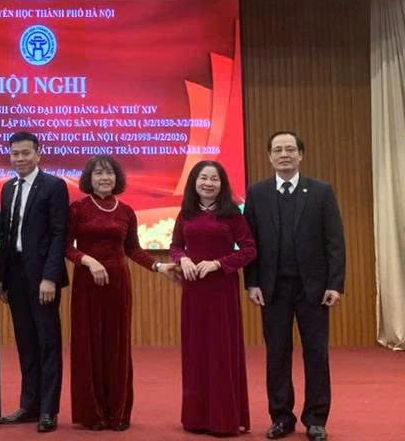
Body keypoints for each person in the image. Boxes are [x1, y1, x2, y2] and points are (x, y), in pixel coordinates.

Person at [243, 132, 345, 441]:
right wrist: (252, 282)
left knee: (316, 354)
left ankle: (316, 419)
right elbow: (250, 243)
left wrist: (335, 284)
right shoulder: (257, 193)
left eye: (290, 149)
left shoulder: (321, 191)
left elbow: (334, 242)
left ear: (300, 154)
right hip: (273, 289)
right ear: (270, 156)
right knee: (277, 354)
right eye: (278, 150)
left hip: (314, 290)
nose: (284, 154)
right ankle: (281, 417)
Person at [65, 155, 178, 431]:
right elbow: (65, 247)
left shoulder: (126, 211)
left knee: (116, 346)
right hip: (87, 284)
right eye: (98, 173)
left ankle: (116, 413)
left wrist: (159, 266)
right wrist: (88, 261)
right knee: (89, 345)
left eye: (109, 173)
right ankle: (93, 414)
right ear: (89, 179)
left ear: (117, 178)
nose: (104, 178)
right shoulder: (77, 208)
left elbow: (133, 250)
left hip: (118, 285)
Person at [170, 160, 257, 436]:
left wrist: (218, 264)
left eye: (214, 179)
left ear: (222, 184)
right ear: (194, 182)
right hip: (193, 292)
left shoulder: (232, 214)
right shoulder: (186, 213)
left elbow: (249, 249)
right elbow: (175, 246)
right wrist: (182, 259)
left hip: (222, 291)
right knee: (195, 351)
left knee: (221, 352)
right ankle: (196, 419)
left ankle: (224, 419)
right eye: (203, 178)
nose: (208, 183)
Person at [0, 131, 68, 434]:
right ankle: (29, 405)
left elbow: (59, 234)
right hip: (15, 277)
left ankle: (48, 410)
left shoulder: (54, 186)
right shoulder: (8, 188)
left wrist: (50, 277)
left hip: (42, 279)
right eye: (15, 153)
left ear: (38, 154)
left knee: (47, 343)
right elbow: (5, 236)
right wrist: (1, 278)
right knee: (25, 343)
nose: (20, 158)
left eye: (26, 153)